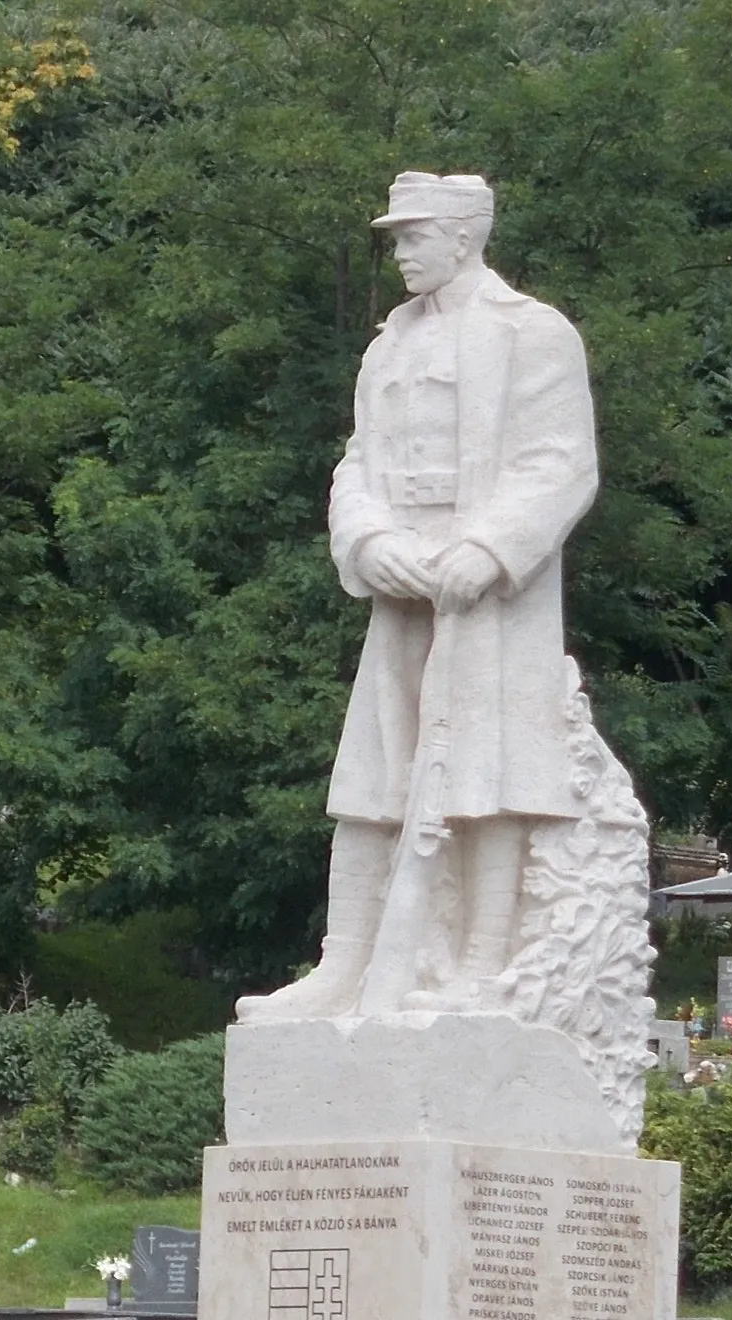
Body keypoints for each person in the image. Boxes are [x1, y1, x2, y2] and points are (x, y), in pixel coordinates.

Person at [238, 170, 598, 1020]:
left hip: (487, 594)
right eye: (397, 237)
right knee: (373, 776)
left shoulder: (532, 333)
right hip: (401, 583)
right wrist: (368, 541)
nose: (399, 252)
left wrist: (488, 549)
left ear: (464, 237)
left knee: (489, 769)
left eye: (414, 235)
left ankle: (482, 967)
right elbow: (356, 463)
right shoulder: (388, 342)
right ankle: (347, 965)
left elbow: (560, 462)